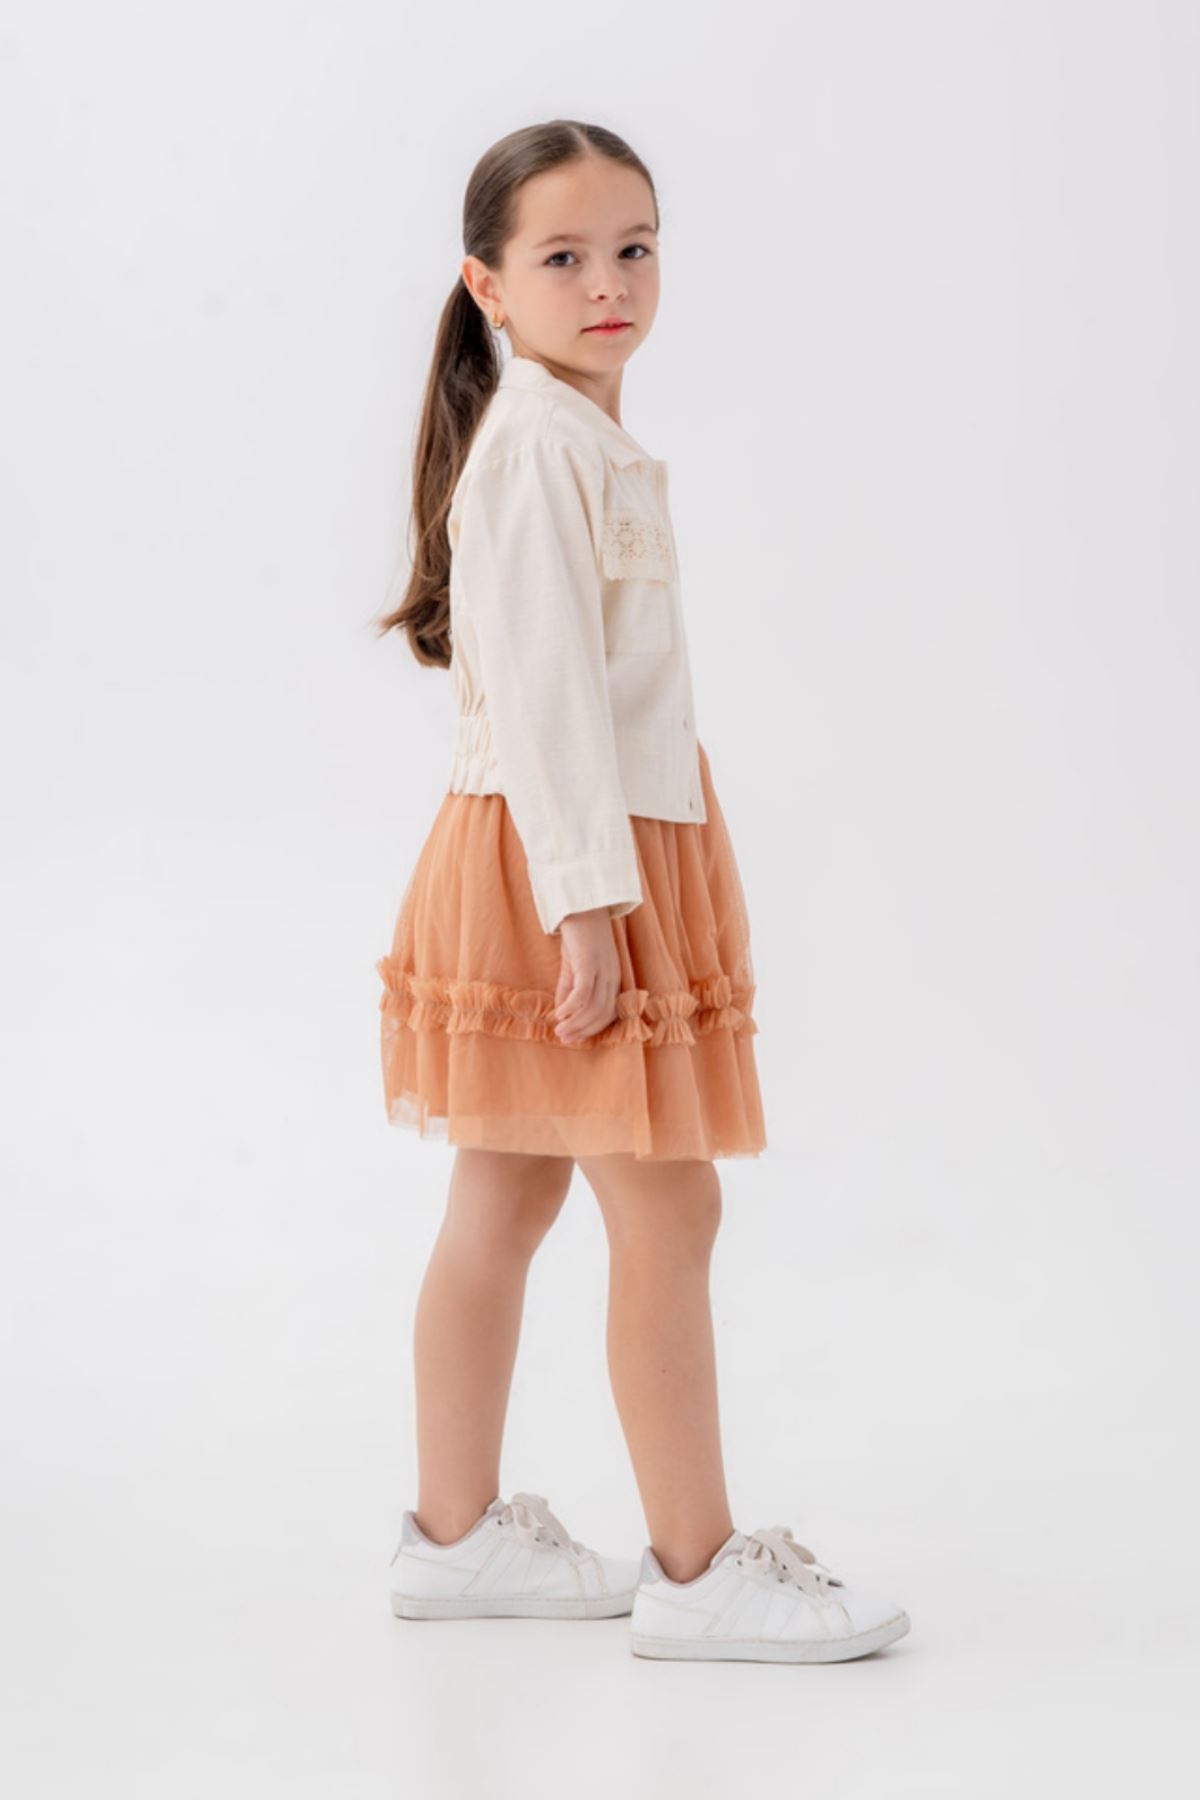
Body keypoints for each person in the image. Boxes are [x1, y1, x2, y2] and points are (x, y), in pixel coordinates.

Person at [373, 119, 910, 1663]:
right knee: (668, 1202)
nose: (608, 282)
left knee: (508, 1193)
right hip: (564, 864)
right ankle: (695, 1569)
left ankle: (455, 1540)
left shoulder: (567, 435)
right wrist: (589, 907)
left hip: (571, 849)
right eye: (563, 257)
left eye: (634, 249)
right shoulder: (538, 446)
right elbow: (550, 704)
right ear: (489, 286)